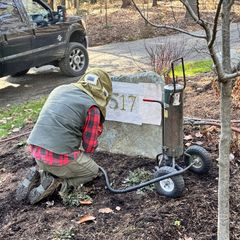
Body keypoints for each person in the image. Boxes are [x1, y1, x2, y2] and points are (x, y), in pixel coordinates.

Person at [15, 69, 112, 204]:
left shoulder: (60, 89)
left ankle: (41, 175)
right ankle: (58, 185)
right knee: (92, 171)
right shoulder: (92, 108)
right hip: (58, 158)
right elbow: (89, 147)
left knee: (59, 163)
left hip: (37, 152)